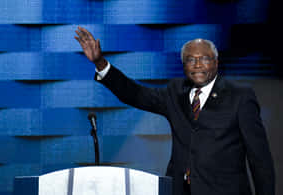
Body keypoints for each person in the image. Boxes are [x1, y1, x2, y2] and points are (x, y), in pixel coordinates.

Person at [74, 26, 275, 195]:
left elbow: (260, 159)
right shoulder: (175, 91)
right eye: (190, 59)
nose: (197, 65)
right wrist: (100, 62)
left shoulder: (239, 96)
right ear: (183, 65)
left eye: (204, 58)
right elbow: (134, 94)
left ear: (216, 62)